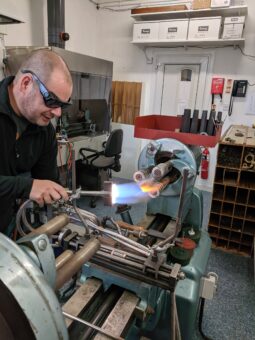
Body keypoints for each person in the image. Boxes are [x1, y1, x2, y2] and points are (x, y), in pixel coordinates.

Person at [0, 49, 73, 234]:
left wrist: (56, 194)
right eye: (51, 101)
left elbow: (47, 181)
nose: (57, 112)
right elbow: (31, 186)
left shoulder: (44, 132)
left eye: (63, 105)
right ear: (26, 83)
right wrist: (27, 186)